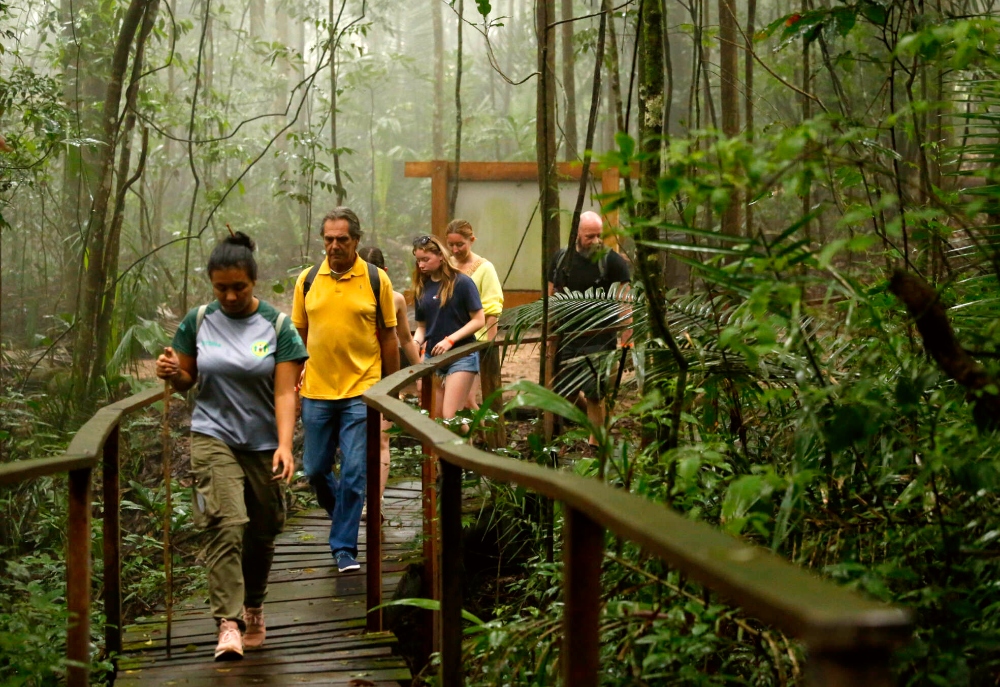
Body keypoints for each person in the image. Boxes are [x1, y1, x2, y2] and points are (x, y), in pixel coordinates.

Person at [156, 232, 307, 661]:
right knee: (226, 522)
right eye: (221, 287)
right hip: (212, 435)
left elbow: (284, 394)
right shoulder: (198, 321)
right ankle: (229, 622)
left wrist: (284, 445)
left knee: (263, 530)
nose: (230, 295)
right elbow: (187, 379)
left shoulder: (277, 327)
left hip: (262, 443)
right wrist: (171, 370)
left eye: (238, 286)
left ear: (254, 281)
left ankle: (254, 605)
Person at [292, 208, 400, 574]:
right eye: (328, 239)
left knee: (354, 471)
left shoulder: (375, 279)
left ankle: (343, 548)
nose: (334, 246)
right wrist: (291, 380)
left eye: (342, 239)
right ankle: (344, 517)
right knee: (315, 469)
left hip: (362, 390)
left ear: (356, 240)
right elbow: (298, 336)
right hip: (317, 390)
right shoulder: (307, 280)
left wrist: (391, 390)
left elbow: (389, 335)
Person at [547, 211, 631, 444]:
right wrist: (550, 331)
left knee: (595, 394)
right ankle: (595, 423)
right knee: (565, 390)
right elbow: (551, 294)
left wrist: (627, 337)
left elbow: (625, 301)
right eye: (589, 236)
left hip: (600, 336)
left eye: (598, 236)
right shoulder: (561, 259)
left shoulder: (612, 262)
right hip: (568, 335)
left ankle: (596, 445)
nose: (595, 241)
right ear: (576, 235)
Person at [357, 246, 421, 507]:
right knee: (358, 440)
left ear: (384, 272)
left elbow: (405, 338)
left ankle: (375, 500)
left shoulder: (395, 299)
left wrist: (419, 372)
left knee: (383, 438)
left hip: (385, 374)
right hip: (354, 373)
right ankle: (357, 496)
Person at [411, 234, 486, 422]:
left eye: (425, 259)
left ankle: (466, 451)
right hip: (433, 356)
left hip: (461, 355)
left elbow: (478, 320)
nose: (421, 265)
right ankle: (453, 451)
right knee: (435, 419)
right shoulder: (422, 287)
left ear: (440, 256)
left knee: (450, 417)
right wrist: (415, 343)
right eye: (418, 260)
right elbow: (422, 326)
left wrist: (451, 339)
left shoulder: (462, 283)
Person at [445, 219, 504, 410]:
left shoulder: (485, 268)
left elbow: (492, 309)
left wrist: (490, 346)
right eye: (451, 245)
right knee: (454, 400)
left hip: (474, 341)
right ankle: (474, 436)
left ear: (472, 240)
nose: (455, 250)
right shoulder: (447, 265)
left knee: (468, 400)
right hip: (449, 339)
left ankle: (485, 436)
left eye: (460, 244)